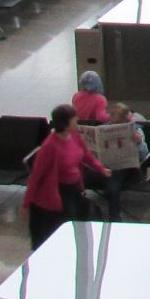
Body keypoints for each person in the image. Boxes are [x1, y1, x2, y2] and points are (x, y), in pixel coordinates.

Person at [21, 104, 108, 248]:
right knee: (62, 225)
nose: (77, 120)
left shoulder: (74, 136)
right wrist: (26, 203)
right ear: (65, 123)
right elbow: (36, 176)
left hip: (74, 189)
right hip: (58, 193)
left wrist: (100, 168)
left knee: (77, 220)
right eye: (74, 118)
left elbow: (85, 155)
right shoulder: (50, 147)